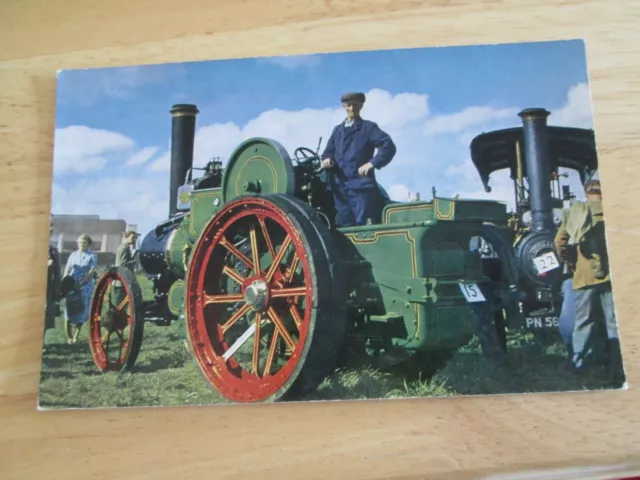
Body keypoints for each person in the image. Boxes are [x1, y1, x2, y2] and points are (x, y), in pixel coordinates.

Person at [554, 179, 625, 386]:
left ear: (587, 193)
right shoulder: (614, 211)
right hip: (611, 277)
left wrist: (570, 260)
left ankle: (578, 366)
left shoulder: (577, 211)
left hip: (584, 277)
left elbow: (559, 242)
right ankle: (617, 370)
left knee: (584, 321)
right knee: (614, 324)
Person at [321, 92, 396, 227]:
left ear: (361, 106)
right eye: (349, 105)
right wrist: (327, 158)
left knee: (363, 225)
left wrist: (372, 163)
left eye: (355, 105)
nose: (352, 108)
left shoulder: (368, 128)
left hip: (361, 187)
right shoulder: (337, 130)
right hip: (340, 188)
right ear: (344, 106)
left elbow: (388, 146)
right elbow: (329, 150)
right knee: (342, 224)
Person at [62, 233, 98, 344]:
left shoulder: (92, 255)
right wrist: (64, 282)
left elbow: (92, 271)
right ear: (77, 243)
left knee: (81, 310)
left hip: (85, 286)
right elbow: (67, 268)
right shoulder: (73, 255)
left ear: (88, 244)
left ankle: (76, 336)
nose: (82, 244)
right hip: (72, 284)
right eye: (80, 242)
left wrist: (82, 283)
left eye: (84, 242)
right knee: (69, 311)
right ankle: (69, 336)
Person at [45, 224, 61, 330]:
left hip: (49, 287)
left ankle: (42, 342)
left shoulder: (53, 251)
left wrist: (57, 287)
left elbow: (58, 270)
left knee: (46, 312)